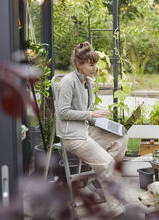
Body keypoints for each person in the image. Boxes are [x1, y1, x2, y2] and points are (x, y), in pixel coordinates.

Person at [55, 42, 128, 217]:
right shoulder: (67, 82)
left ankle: (98, 181)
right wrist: (91, 115)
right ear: (79, 64)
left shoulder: (88, 82)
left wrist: (101, 119)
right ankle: (118, 211)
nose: (94, 67)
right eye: (90, 64)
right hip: (73, 136)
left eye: (95, 63)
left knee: (121, 137)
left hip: (86, 130)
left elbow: (87, 112)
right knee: (108, 164)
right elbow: (63, 113)